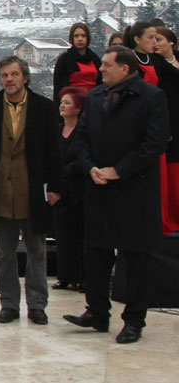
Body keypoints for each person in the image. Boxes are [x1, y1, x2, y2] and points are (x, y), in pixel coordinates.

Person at [65, 46, 169, 343]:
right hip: (99, 188)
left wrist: (119, 170)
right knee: (95, 254)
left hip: (134, 190)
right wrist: (91, 168)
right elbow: (82, 137)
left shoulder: (151, 97)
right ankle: (97, 312)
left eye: (108, 65)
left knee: (135, 259)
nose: (101, 70)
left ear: (125, 68)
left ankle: (134, 320)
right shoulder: (97, 96)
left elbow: (154, 143)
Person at [0, 56, 62, 325]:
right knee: (4, 252)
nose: (9, 80)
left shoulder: (44, 108)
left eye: (13, 74)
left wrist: (56, 187)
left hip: (33, 192)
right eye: (4, 75)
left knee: (37, 250)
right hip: (0, 192)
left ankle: (37, 304)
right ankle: (9, 303)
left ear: (24, 77)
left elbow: (54, 152)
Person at [51, 86, 88, 291]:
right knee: (63, 236)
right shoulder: (56, 130)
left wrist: (66, 169)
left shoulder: (84, 131)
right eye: (62, 102)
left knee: (81, 235)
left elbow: (84, 158)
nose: (62, 106)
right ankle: (65, 276)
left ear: (77, 109)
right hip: (60, 192)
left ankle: (83, 277)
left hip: (79, 190)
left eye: (67, 103)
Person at [154, 27, 179, 233]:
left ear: (171, 41)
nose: (156, 43)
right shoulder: (158, 66)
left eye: (159, 39)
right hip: (171, 122)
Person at [52, 22, 101, 99]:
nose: (80, 39)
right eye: (76, 36)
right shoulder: (64, 60)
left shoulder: (95, 59)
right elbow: (58, 87)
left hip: (94, 102)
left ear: (87, 38)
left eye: (83, 36)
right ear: (72, 39)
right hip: (72, 103)